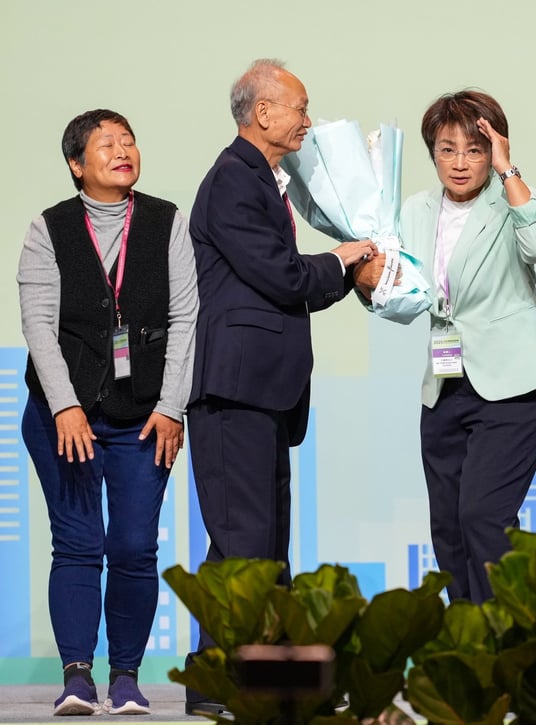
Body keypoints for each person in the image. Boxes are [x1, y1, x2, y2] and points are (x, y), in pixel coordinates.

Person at [185, 59, 377, 715]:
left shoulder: (260, 181)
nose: (307, 118)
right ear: (261, 112)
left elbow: (286, 285)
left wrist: (344, 270)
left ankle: (221, 685)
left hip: (262, 391)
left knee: (245, 542)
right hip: (236, 390)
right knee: (248, 546)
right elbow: (281, 275)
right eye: (299, 105)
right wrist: (345, 259)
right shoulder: (233, 181)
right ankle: (241, 687)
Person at [17, 109, 198, 716]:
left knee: (132, 546)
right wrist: (65, 405)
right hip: (62, 417)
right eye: (106, 145)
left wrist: (173, 407)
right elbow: (39, 327)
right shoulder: (49, 228)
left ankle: (125, 677)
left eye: (129, 141)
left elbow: (186, 319)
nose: (123, 151)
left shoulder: (167, 222)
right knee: (76, 543)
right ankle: (76, 677)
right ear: (76, 164)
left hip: (144, 415)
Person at [399, 90, 536, 604]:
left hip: (515, 381)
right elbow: (402, 294)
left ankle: (509, 647)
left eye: (474, 149)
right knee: (448, 526)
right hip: (445, 383)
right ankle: (470, 649)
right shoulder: (416, 209)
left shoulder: (509, 200)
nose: (460, 163)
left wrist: (508, 170)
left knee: (484, 517)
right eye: (447, 149)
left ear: (493, 148)